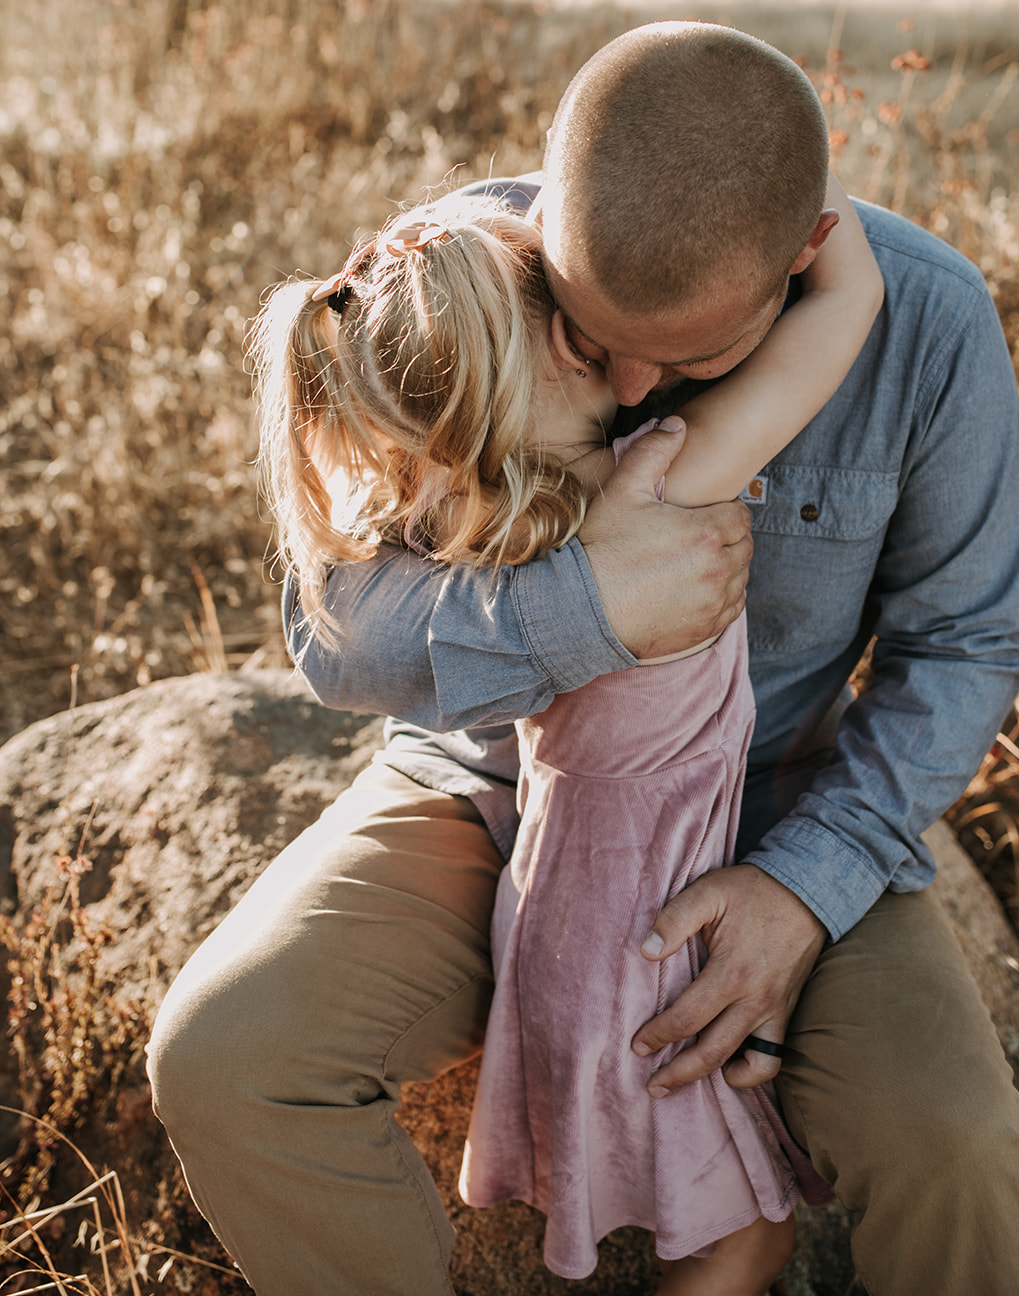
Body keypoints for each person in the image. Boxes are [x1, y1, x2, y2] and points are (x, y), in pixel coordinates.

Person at [148, 23, 1019, 1296]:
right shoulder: (460, 268)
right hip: (477, 790)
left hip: (772, 808)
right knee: (226, 1058)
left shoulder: (925, 320)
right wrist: (584, 606)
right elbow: (331, 627)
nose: (632, 384)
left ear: (803, 258)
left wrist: (804, 888)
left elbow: (961, 639)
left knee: (961, 1158)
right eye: (582, 333)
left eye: (690, 360)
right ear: (546, 204)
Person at [242, 182, 877, 1294]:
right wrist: (818, 221)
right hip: (649, 920)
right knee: (746, 1234)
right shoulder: (664, 481)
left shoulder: (471, 516)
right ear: (553, 350)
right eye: (555, 302)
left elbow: (344, 605)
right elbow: (845, 303)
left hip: (550, 912)